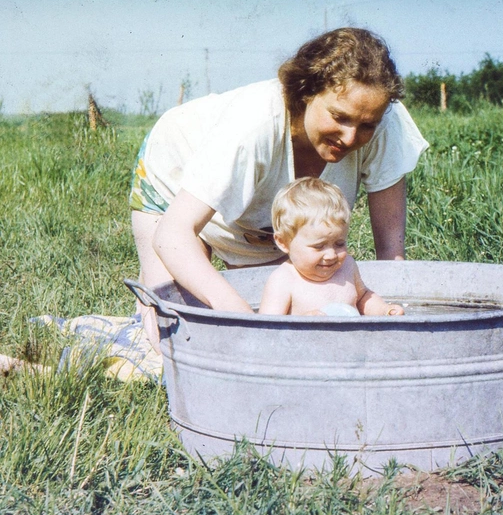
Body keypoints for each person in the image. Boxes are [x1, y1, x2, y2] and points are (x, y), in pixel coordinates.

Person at [129, 27, 428, 347]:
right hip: (175, 179)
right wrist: (248, 324)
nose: (351, 137)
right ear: (306, 93)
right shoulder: (253, 127)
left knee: (298, 301)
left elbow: (391, 254)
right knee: (173, 329)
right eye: (339, 117)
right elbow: (173, 235)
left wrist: (388, 327)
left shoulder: (384, 120)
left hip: (262, 211)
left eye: (366, 125)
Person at [258, 177, 405, 316]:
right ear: (283, 242)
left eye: (339, 244)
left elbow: (363, 298)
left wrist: (384, 310)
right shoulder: (283, 279)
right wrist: (301, 322)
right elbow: (267, 328)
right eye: (319, 246)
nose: (331, 255)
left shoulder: (347, 266)